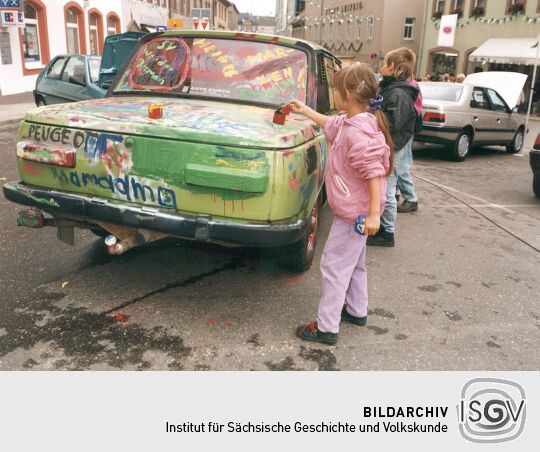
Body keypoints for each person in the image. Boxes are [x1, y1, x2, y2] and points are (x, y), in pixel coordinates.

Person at [290, 63, 392, 345]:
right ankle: (357, 310)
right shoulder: (354, 121)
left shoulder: (356, 133)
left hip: (354, 215)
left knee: (334, 266)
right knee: (355, 264)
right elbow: (329, 123)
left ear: (346, 93)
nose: (333, 94)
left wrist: (373, 215)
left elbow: (374, 173)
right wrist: (305, 110)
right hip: (356, 212)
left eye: (335, 90)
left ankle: (326, 327)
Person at [368, 47, 419, 247]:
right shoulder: (390, 88)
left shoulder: (398, 92)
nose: (381, 66)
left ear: (392, 67)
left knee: (387, 190)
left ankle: (386, 232)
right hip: (387, 145)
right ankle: (382, 227)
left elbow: (392, 122)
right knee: (384, 188)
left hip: (392, 146)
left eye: (384, 63)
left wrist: (371, 117)